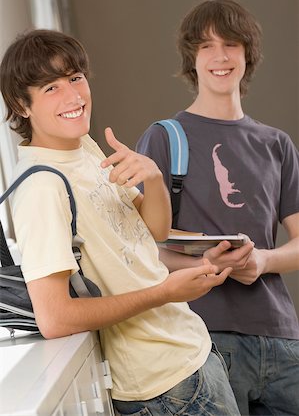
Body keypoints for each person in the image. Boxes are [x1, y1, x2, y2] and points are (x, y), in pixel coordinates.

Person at [0, 29, 241, 416]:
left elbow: (153, 233)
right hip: (161, 389)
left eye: (75, 78)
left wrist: (155, 178)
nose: (74, 97)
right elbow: (55, 318)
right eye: (51, 88)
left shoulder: (85, 148)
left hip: (190, 353)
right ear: (20, 104)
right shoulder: (41, 187)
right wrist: (165, 292)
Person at [136, 0, 299, 416]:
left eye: (231, 44)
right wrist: (203, 264)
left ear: (248, 54)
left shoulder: (276, 144)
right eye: (206, 46)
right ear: (192, 58)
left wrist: (262, 260)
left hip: (282, 339)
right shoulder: (163, 139)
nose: (220, 56)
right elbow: (136, 249)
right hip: (203, 339)